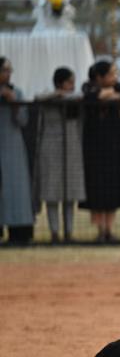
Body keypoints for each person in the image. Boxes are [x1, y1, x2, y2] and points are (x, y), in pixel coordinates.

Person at [80, 61, 120, 243]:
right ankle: (100, 230)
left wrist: (112, 94)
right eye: (110, 74)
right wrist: (108, 95)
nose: (114, 78)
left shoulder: (119, 88)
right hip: (94, 147)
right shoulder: (88, 89)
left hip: (114, 145)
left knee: (112, 188)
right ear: (99, 77)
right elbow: (91, 99)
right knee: (97, 188)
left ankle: (109, 229)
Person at [37, 67, 86, 244]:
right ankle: (55, 231)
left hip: (71, 146)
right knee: (52, 191)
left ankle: (69, 231)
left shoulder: (75, 98)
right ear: (60, 83)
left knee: (70, 192)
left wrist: (66, 96)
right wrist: (57, 95)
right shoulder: (48, 97)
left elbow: (80, 97)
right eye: (69, 82)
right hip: (51, 146)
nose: (72, 86)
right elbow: (39, 97)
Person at [0, 57, 34, 245]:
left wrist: (13, 102)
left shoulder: (17, 92)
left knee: (15, 189)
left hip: (12, 144)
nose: (8, 73)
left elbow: (23, 120)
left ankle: (19, 232)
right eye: (5, 70)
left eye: (9, 70)